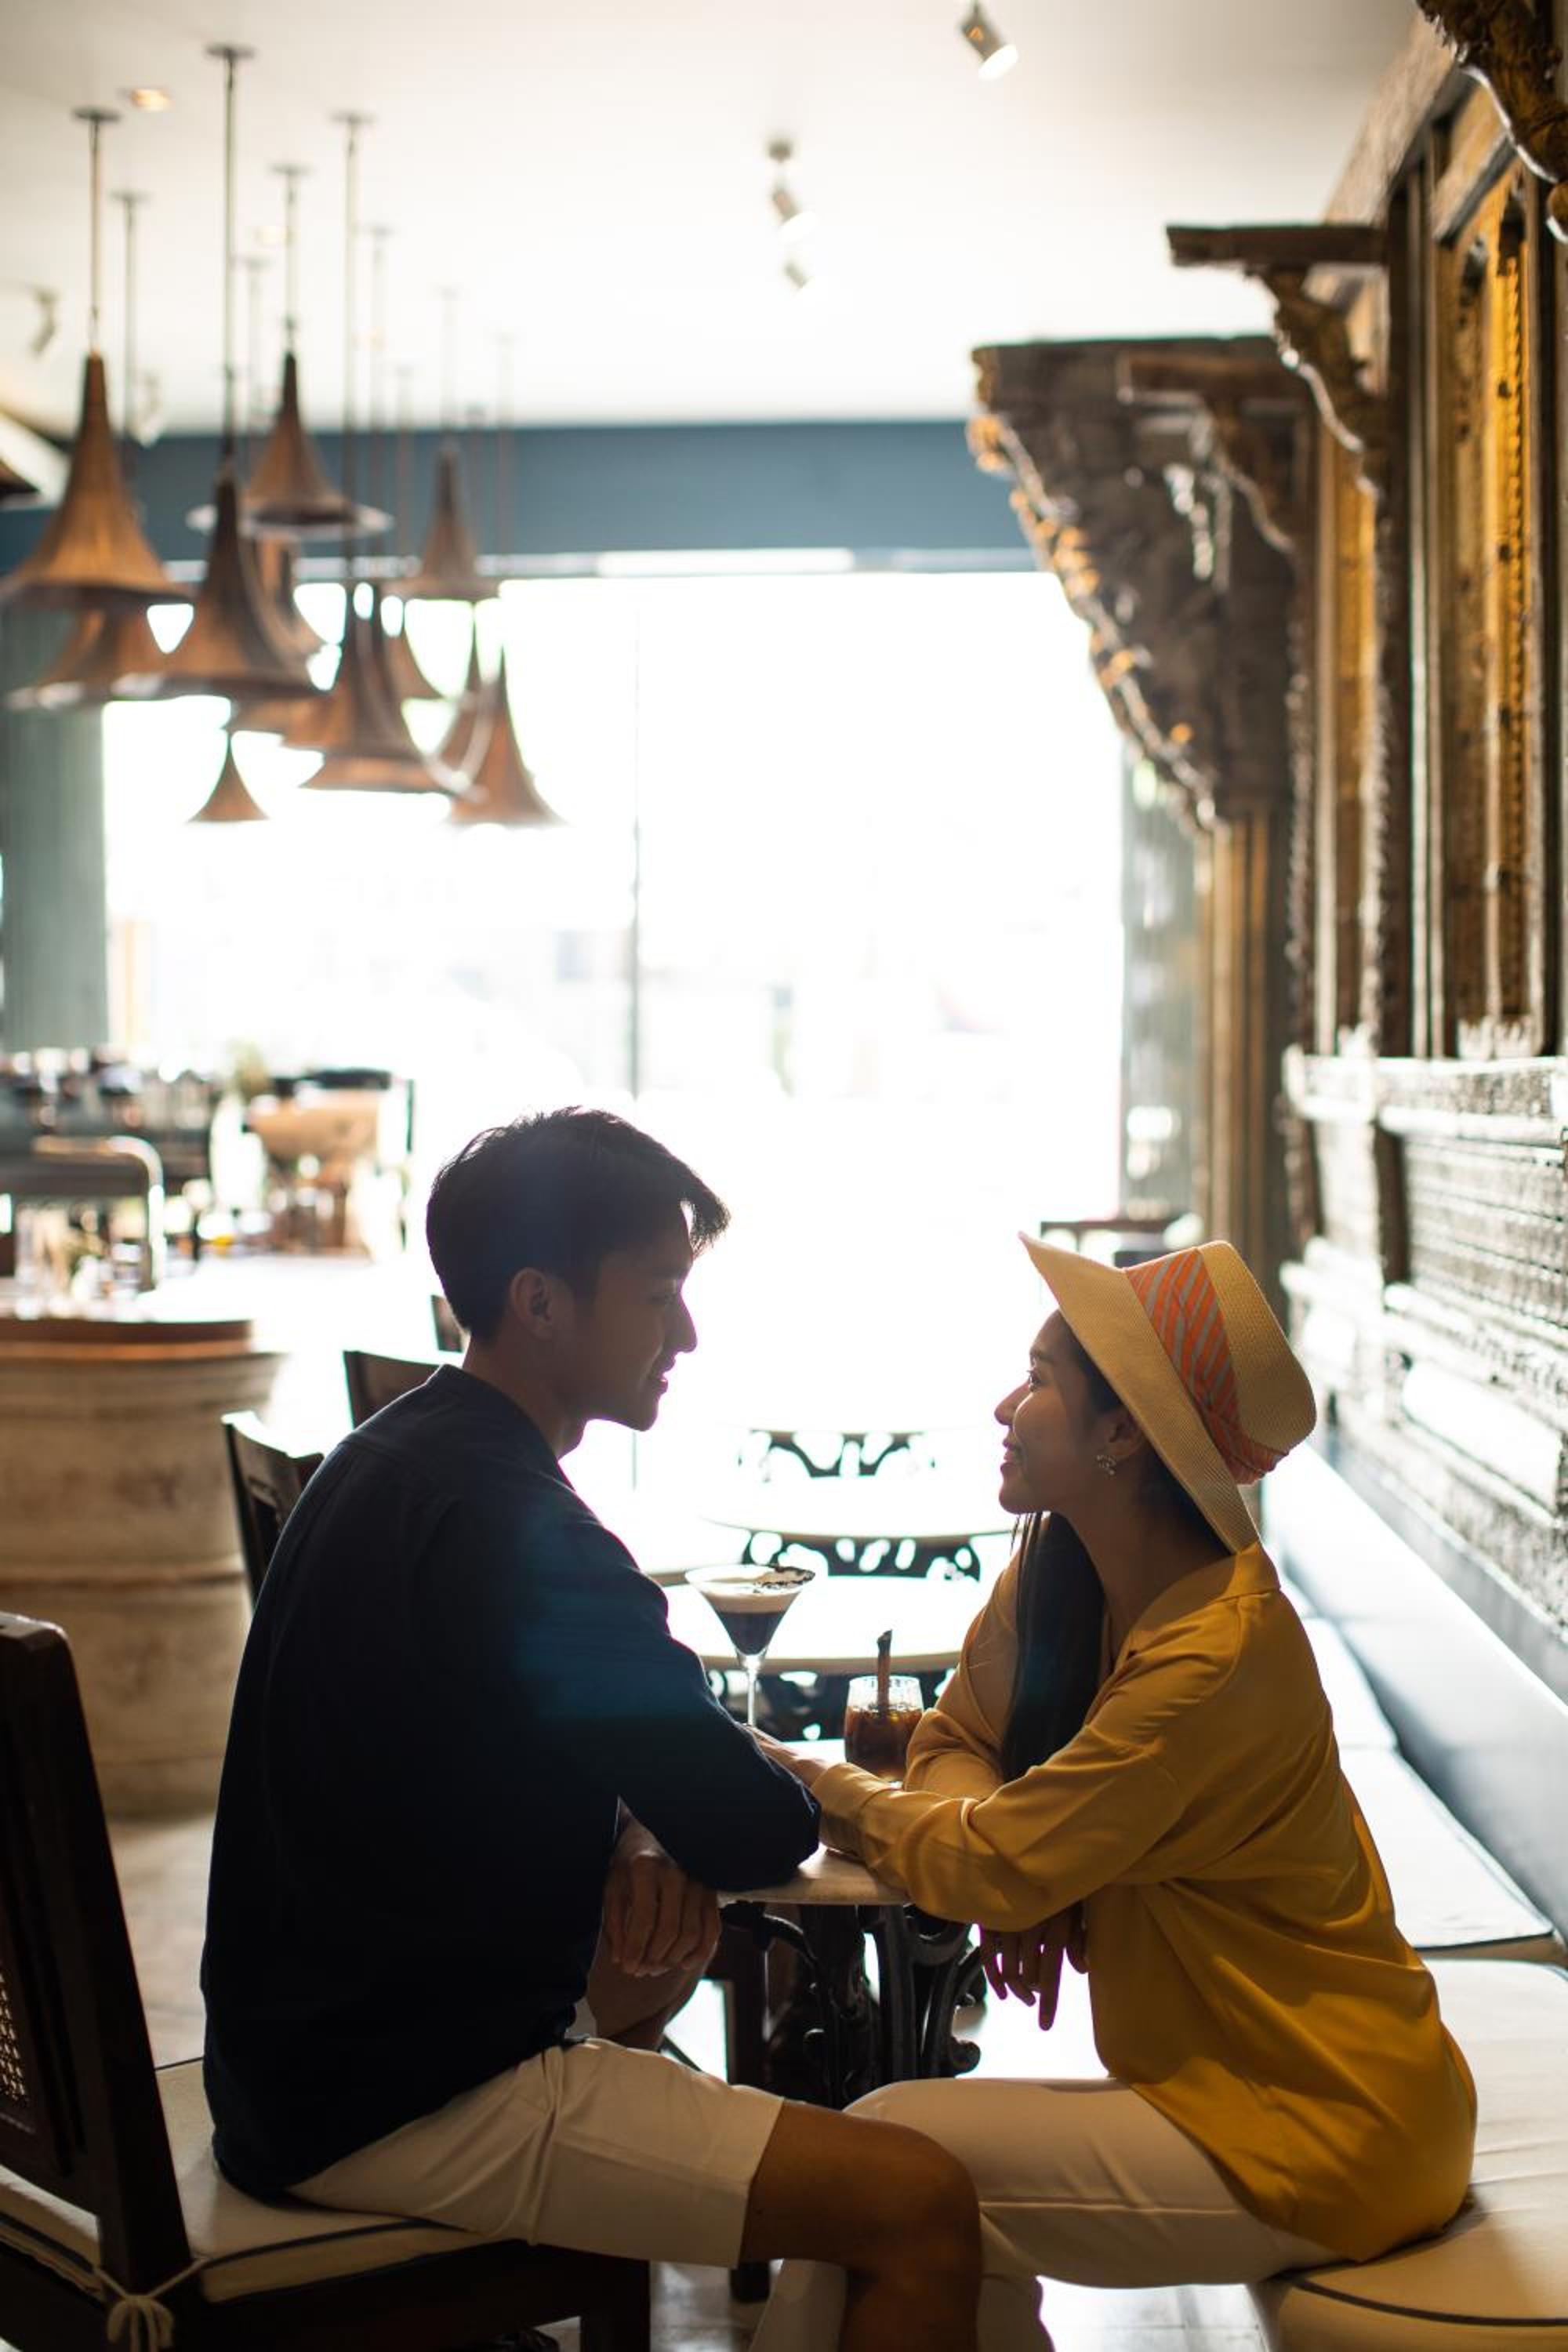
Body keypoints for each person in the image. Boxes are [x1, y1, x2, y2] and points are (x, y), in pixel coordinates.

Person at [202, 1109, 981, 2352]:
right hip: (418, 2100)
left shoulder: (384, 1458)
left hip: (288, 2067)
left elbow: (561, 1753)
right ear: (541, 1302)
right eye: (660, 1292)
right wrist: (680, 1812)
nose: (688, 1333)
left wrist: (635, 1829)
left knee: (663, 1994)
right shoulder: (530, 1535)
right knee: (922, 2203)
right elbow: (754, 1824)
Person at [752, 1236, 1477, 2350]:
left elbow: (983, 1861)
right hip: (1232, 2093)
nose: (1005, 1406)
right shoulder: (1065, 1572)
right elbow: (958, 1741)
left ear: (1123, 1435)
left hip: (1325, 2123)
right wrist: (1026, 1862)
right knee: (900, 2188)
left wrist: (810, 1776)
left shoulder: (1216, 1658)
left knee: (882, 2163)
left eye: (1038, 1380)